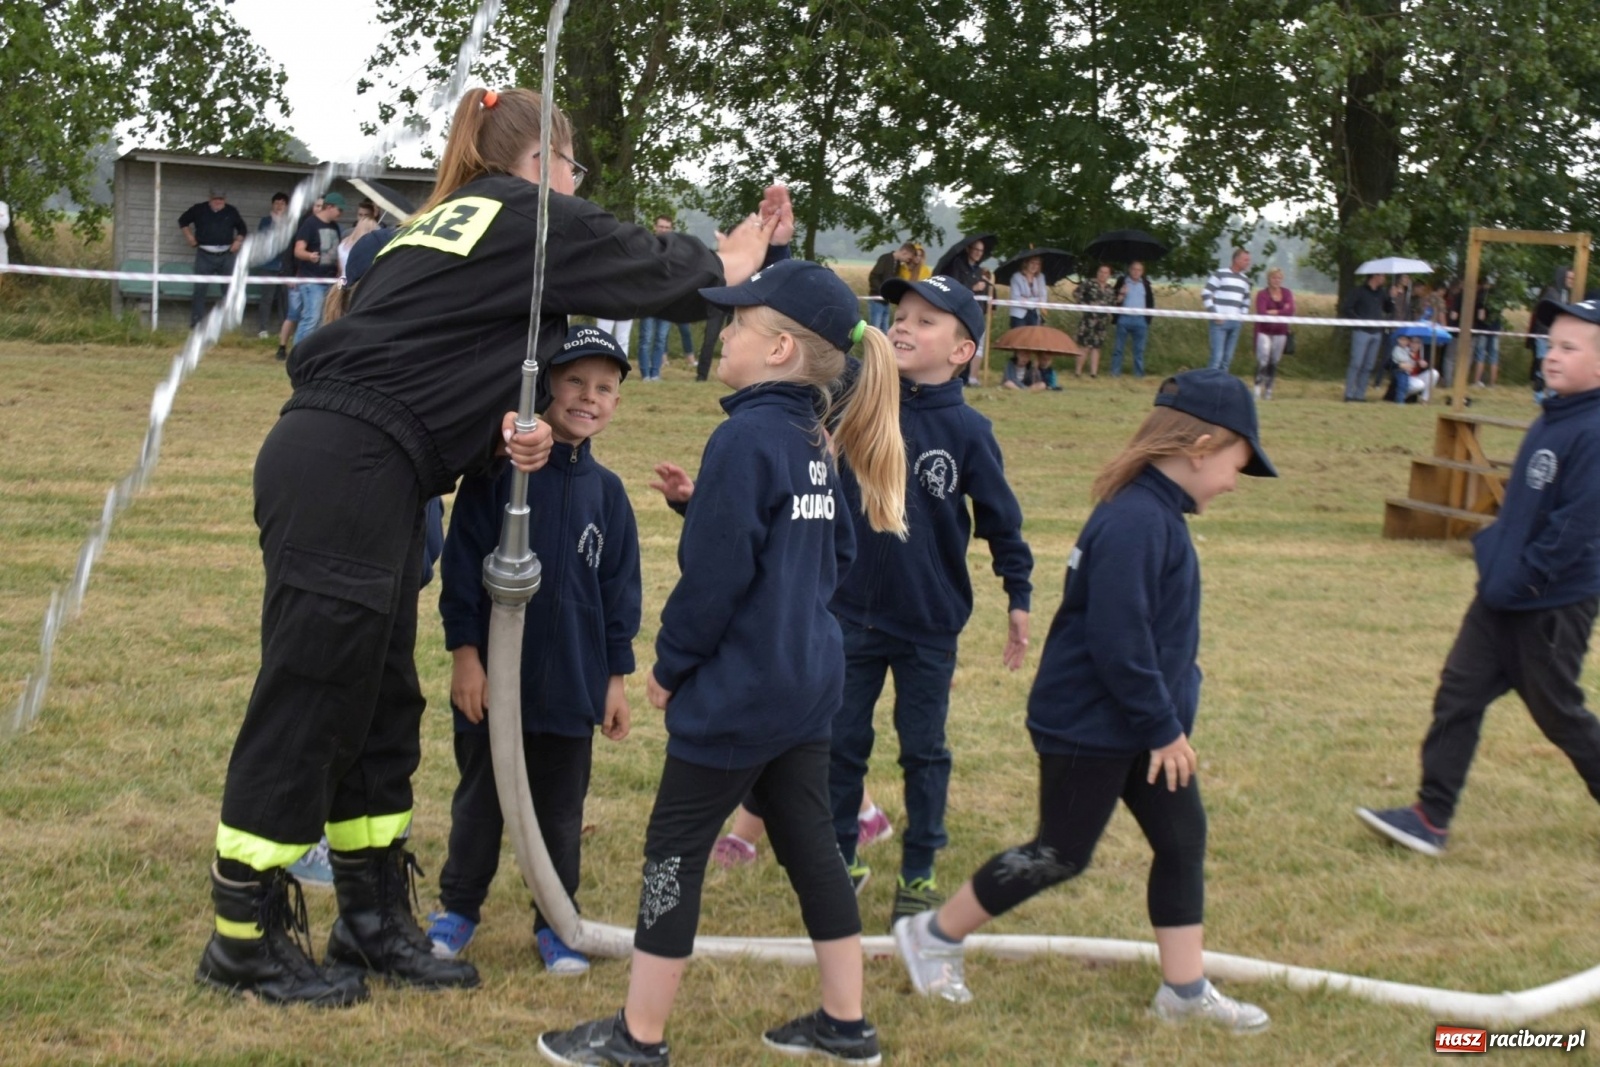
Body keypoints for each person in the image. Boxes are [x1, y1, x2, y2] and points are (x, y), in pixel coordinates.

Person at [196, 86, 780, 1009]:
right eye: (573, 167)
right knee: (311, 696)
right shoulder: (520, 214)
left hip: (365, 471)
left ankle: (373, 915)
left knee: (382, 700)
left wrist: (513, 432)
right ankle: (244, 938)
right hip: (347, 470)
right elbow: (659, 270)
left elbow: (433, 361)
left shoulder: (436, 227)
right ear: (546, 160)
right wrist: (736, 255)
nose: (574, 185)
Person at [537, 259, 906, 1066]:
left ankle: (638, 1038)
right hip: (808, 685)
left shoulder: (744, 436)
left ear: (779, 350)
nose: (725, 332)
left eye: (738, 323)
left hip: (738, 695)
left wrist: (669, 666)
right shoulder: (814, 438)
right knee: (813, 843)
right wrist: (708, 514)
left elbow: (715, 580)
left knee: (672, 852)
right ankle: (847, 1025)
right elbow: (829, 549)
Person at [894, 368, 1277, 1034]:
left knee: (1182, 839)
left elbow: (1149, 635)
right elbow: (1118, 639)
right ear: (1198, 446)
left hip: (1138, 725)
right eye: (1235, 466)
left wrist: (1169, 706)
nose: (1232, 482)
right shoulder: (1136, 519)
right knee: (1058, 852)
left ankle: (1184, 990)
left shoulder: (1155, 514)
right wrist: (1163, 726)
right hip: (1092, 727)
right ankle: (933, 934)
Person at [426, 327, 640, 975]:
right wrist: (466, 654)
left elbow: (618, 594)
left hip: (570, 690)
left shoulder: (609, 496)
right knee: (481, 803)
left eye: (604, 387)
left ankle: (556, 922)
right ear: (546, 386)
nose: (588, 397)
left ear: (616, 403)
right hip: (495, 685)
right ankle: (458, 908)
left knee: (559, 813)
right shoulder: (497, 480)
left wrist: (614, 679)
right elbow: (462, 569)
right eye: (575, 381)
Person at [1357, 297, 1600, 856]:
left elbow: (1576, 528)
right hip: (1501, 595)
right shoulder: (1553, 415)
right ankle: (1430, 817)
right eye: (1550, 343)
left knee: (1559, 713)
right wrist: (1493, 551)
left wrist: (1523, 580)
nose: (1552, 354)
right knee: (1457, 695)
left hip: (1550, 605)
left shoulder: (1592, 431)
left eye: (1568, 347)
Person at [829, 274, 1032, 931]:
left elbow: (1002, 520)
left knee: (923, 748)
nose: (905, 326)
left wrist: (1018, 594)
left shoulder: (971, 430)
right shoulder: (856, 403)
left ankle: (919, 868)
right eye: (901, 314)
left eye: (927, 320)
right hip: (848, 613)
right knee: (840, 741)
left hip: (927, 624)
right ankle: (840, 855)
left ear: (963, 351)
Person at [177, 185, 248, 327]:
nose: (218, 201)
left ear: (225, 200)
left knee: (229, 289)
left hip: (226, 254)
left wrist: (238, 241)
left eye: (221, 199)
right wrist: (189, 236)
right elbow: (182, 221)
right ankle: (196, 323)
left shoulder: (231, 211)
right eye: (215, 199)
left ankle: (229, 324)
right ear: (210, 198)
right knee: (200, 289)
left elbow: (243, 229)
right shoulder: (199, 209)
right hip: (204, 254)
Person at [638, 215, 688, 380]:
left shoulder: (676, 250)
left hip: (667, 301)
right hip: (649, 300)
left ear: (671, 229)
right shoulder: (646, 247)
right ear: (655, 227)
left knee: (660, 339)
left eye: (667, 227)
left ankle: (656, 373)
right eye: (661, 226)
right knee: (646, 338)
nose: (664, 230)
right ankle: (645, 373)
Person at [290, 191, 344, 346]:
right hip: (311, 279)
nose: (341, 213)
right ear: (329, 207)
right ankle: (298, 354)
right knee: (311, 318)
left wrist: (340, 273)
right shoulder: (310, 224)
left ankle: (311, 353)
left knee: (322, 320)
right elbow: (298, 250)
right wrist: (309, 256)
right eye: (339, 209)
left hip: (329, 279)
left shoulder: (335, 227)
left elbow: (336, 251)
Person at [1340, 271, 1395, 401]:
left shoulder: (1382, 293)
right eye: (1382, 275)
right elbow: (1347, 308)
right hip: (1361, 332)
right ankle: (1348, 394)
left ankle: (1360, 394)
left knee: (1368, 365)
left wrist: (1392, 298)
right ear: (1375, 276)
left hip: (1376, 333)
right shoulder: (1358, 291)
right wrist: (1358, 320)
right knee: (1356, 363)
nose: (1384, 278)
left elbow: (1388, 309)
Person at [1202, 248, 1251, 372]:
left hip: (1235, 322)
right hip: (1220, 322)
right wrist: (1214, 314)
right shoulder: (1220, 273)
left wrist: (1242, 317)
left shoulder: (1245, 280)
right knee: (1217, 357)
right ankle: (1210, 385)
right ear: (1236, 259)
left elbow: (1246, 300)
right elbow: (1206, 293)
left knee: (1227, 359)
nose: (1248, 263)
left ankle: (1222, 387)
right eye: (1245, 260)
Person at [1530, 266, 1575, 394]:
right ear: (1562, 277)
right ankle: (1538, 396)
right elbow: (1547, 316)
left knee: (1556, 366)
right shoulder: (1552, 293)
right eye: (1569, 278)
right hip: (1545, 336)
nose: (1571, 280)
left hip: (1556, 338)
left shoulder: (1566, 294)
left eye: (1573, 278)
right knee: (1542, 366)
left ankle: (1553, 394)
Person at [1251, 267, 1294, 400]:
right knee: (1263, 359)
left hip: (1281, 332)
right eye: (1274, 278)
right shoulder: (1262, 294)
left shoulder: (1287, 293)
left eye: (1279, 278)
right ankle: (1257, 387)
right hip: (1264, 331)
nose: (1277, 280)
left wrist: (1274, 312)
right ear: (1269, 279)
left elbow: (1290, 310)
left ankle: (1269, 389)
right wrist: (1281, 310)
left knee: (1274, 360)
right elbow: (1262, 312)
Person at [255, 192, 291, 339]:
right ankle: (262, 328)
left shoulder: (291, 223)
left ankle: (285, 329)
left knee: (285, 299)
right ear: (272, 205)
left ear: (286, 206)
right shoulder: (265, 221)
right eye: (276, 203)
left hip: (285, 266)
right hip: (269, 265)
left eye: (282, 204)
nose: (279, 206)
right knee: (267, 298)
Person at [1110, 260, 1155, 377]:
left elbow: (1150, 302)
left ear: (1142, 272)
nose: (1136, 272)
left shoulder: (1145, 284)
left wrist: (1147, 319)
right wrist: (1121, 294)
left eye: (1139, 270)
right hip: (1124, 319)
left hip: (1140, 320)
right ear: (1129, 270)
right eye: (1134, 269)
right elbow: (1114, 301)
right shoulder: (1122, 282)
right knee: (1118, 348)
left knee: (1139, 350)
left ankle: (1138, 374)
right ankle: (1115, 372)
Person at [1073, 264, 1116, 378]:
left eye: (1106, 272)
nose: (1103, 274)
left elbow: (1113, 303)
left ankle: (1093, 373)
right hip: (1088, 320)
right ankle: (1078, 372)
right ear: (1097, 272)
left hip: (1102, 322)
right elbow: (1076, 294)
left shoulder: (1109, 289)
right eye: (1101, 272)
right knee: (1084, 346)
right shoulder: (1089, 283)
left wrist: (1121, 295)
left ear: (1109, 275)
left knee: (1096, 347)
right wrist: (1084, 306)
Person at [868, 242, 915, 332]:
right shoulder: (885, 259)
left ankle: (884, 346)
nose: (907, 261)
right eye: (908, 258)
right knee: (876, 329)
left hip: (886, 301)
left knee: (885, 329)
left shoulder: (897, 264)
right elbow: (873, 277)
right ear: (904, 252)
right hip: (877, 300)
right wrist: (881, 291)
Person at [1471, 280, 1504, 388]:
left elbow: (1481, 316)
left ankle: (1477, 381)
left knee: (1480, 355)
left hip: (1483, 329)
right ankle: (1492, 383)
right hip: (1495, 330)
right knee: (1494, 357)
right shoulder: (1499, 299)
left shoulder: (1482, 297)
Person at [1388, 334, 1438, 403]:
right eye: (1412, 342)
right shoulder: (1402, 350)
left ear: (1421, 344)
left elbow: (1429, 366)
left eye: (1418, 342)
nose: (1414, 344)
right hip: (1405, 378)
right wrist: (1400, 365)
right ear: (1409, 342)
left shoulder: (1423, 353)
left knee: (1434, 373)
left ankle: (1425, 399)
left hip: (1416, 378)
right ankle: (1400, 397)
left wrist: (1426, 365)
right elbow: (1388, 364)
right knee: (1419, 384)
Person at [1007, 255, 1048, 328]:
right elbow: (1015, 298)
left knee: (1034, 337)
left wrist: (1026, 299)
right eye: (1032, 263)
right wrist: (1035, 301)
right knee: (1019, 337)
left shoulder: (1040, 277)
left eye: (1037, 263)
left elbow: (1043, 295)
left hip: (1035, 314)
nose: (1034, 266)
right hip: (1018, 315)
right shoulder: (1016, 277)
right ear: (1026, 263)